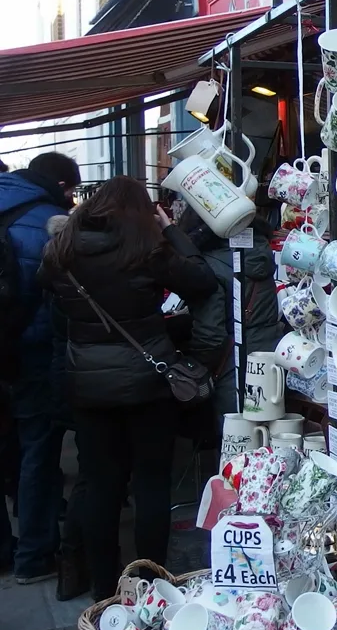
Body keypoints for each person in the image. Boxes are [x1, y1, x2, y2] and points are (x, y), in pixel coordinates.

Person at [39, 177, 216, 599]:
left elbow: (55, 305)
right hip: (147, 381)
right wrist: (171, 228)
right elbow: (202, 280)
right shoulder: (146, 248)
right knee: (151, 483)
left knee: (101, 484)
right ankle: (151, 585)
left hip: (88, 385)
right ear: (141, 210)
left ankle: (105, 587)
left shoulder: (61, 250)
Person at [0, 152, 79, 583]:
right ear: (63, 186)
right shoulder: (47, 221)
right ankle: (33, 555)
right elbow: (56, 299)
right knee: (38, 450)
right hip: (27, 354)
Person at [176, 210, 282, 419]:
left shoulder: (208, 267)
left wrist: (196, 365)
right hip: (269, 360)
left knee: (237, 440)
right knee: (266, 435)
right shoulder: (259, 251)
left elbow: (210, 335)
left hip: (232, 370)